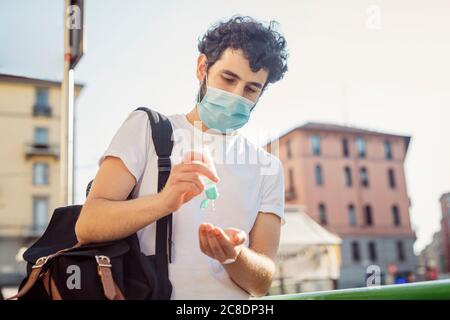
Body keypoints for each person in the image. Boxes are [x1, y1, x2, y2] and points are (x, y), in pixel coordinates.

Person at [75, 15, 288, 299]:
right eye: (228, 78)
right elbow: (88, 225)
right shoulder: (146, 128)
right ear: (203, 67)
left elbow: (261, 283)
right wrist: (165, 201)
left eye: (251, 89)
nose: (237, 95)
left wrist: (235, 256)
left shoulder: (268, 168)